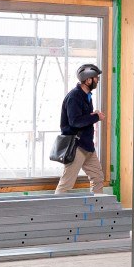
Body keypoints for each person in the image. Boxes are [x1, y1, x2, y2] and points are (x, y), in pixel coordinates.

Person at [55, 62, 106, 195]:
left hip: (87, 146)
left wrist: (92, 115)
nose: (98, 80)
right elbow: (75, 122)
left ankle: (96, 210)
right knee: (66, 184)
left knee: (98, 179)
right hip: (77, 147)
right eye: (96, 78)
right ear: (88, 80)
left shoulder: (86, 96)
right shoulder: (74, 96)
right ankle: (56, 213)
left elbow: (82, 118)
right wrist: (96, 117)